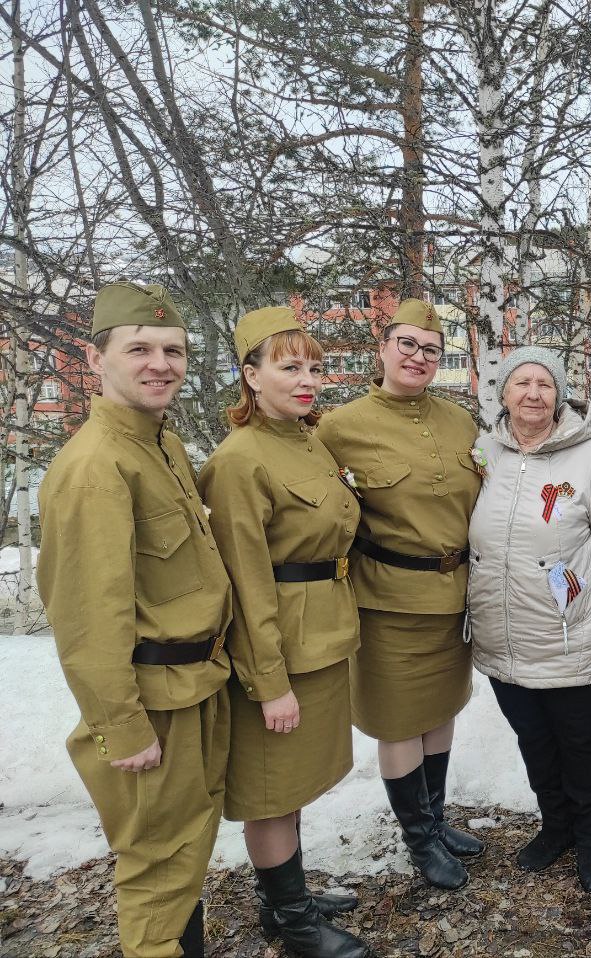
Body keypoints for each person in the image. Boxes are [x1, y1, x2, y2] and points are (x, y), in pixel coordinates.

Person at [36, 282, 232, 958]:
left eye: (173, 350)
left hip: (193, 685)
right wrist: (121, 727)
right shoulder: (95, 467)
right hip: (152, 704)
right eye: (139, 349)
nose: (160, 363)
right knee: (156, 866)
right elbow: (87, 616)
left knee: (184, 853)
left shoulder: (160, 444)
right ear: (97, 359)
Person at [197, 308, 368, 958]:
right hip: (281, 653)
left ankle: (281, 897)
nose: (306, 380)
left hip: (323, 635)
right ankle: (295, 923)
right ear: (250, 374)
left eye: (314, 367)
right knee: (271, 791)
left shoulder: (306, 439)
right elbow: (244, 583)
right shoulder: (239, 462)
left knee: (294, 782)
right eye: (288, 366)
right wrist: (269, 684)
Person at [317, 298, 484, 892]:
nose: (418, 357)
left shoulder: (460, 421)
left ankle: (435, 822)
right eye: (407, 344)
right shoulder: (339, 427)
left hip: (455, 596)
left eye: (431, 349)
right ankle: (419, 839)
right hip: (387, 600)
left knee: (440, 712)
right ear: (383, 348)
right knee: (399, 723)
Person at [466, 346, 591, 893]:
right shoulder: (483, 455)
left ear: (559, 395)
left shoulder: (589, 459)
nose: (533, 393)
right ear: (503, 395)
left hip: (573, 637)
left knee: (582, 744)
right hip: (504, 636)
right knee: (534, 742)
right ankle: (556, 827)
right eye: (522, 383)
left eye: (545, 383)